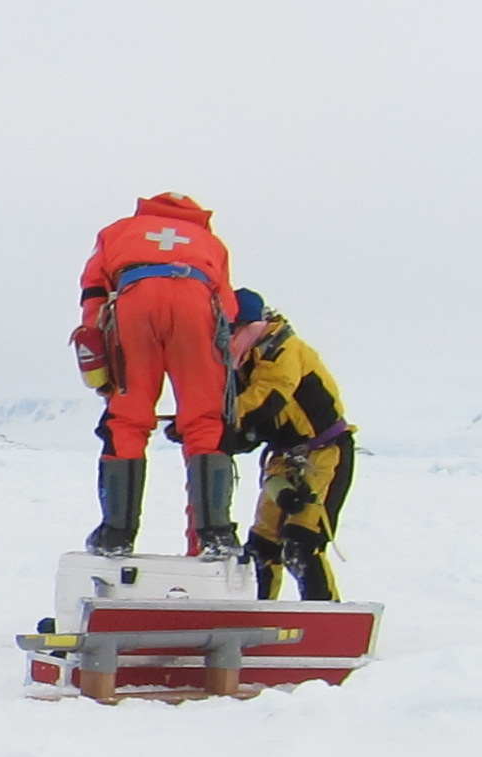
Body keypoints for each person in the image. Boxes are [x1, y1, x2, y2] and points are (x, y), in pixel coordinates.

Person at [75, 191, 238, 555]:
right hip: (198, 305)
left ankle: (116, 533)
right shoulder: (210, 242)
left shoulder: (118, 231)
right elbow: (227, 304)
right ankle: (216, 534)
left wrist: (99, 337)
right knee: (205, 419)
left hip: (135, 300)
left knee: (128, 418)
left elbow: (93, 288)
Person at [225, 289, 355, 600]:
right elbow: (253, 426)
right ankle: (260, 615)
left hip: (325, 454)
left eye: (230, 328)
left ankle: (327, 621)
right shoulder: (243, 363)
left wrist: (218, 425)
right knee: (262, 545)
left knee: (302, 542)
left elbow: (265, 401)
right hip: (284, 459)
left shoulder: (284, 350)